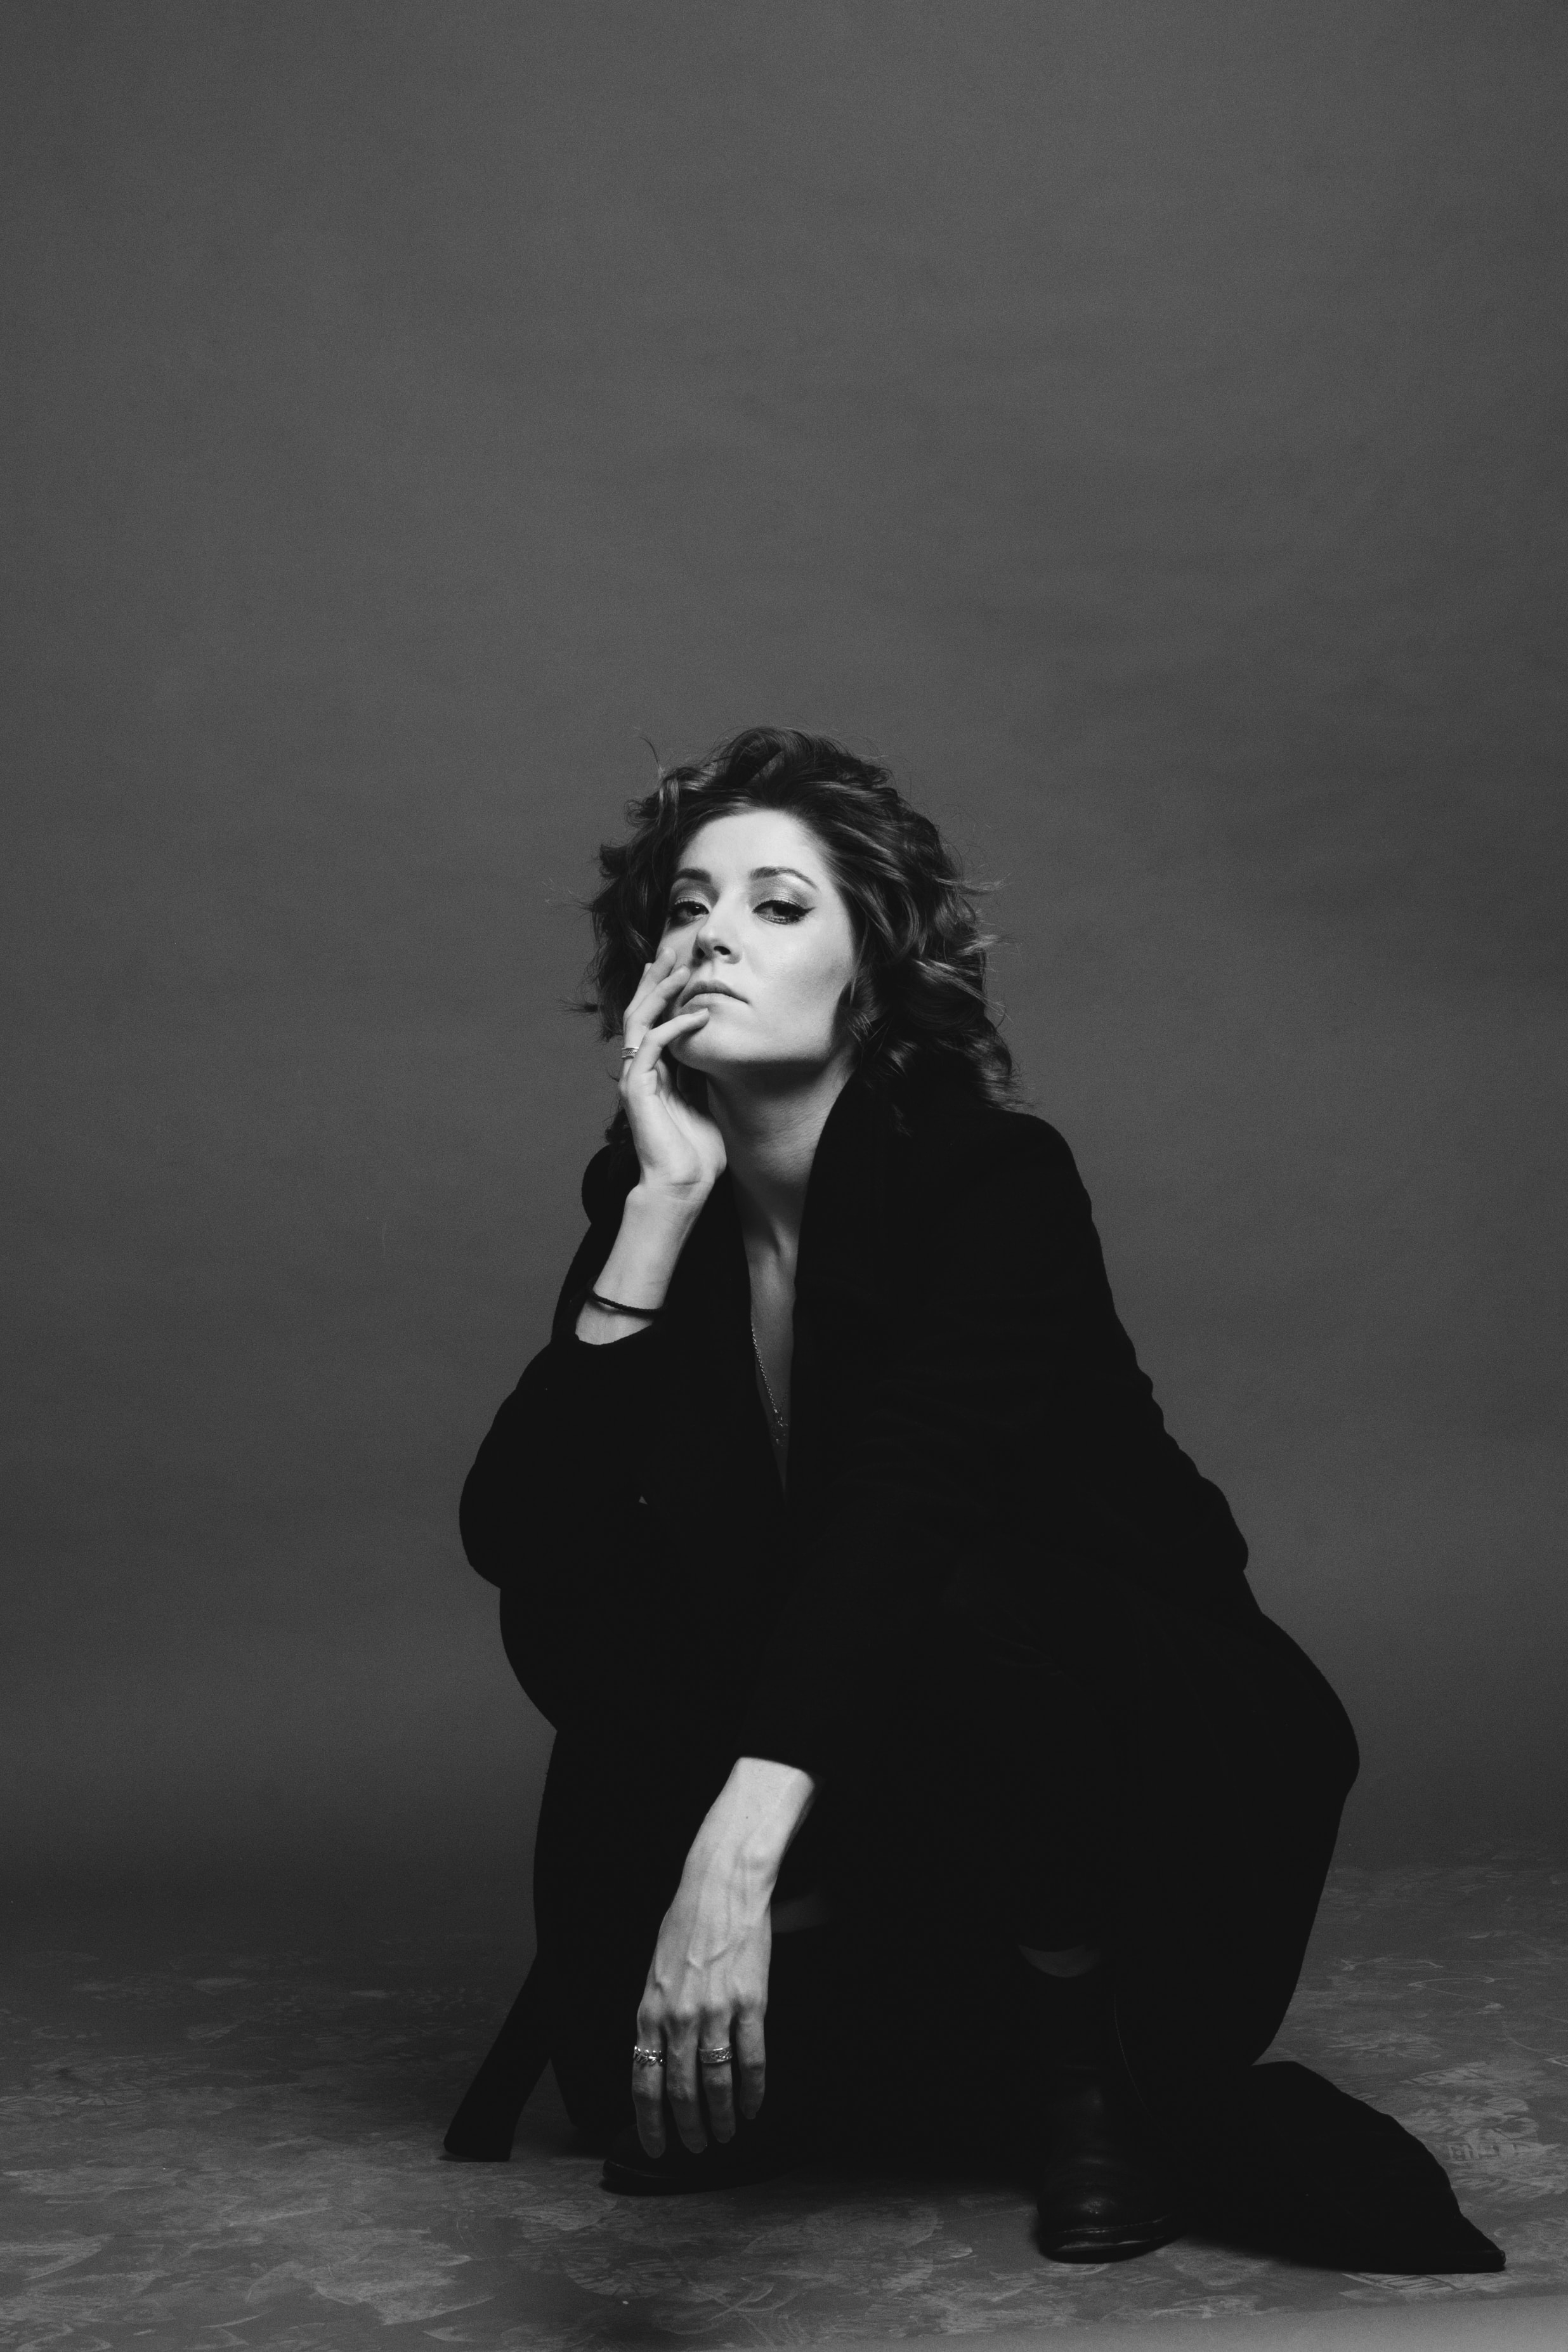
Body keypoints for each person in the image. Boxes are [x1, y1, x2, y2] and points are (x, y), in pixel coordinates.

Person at [448, 728, 1500, 2273]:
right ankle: (854, 1974)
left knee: (959, 1584)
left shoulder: (992, 1182)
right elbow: (521, 1541)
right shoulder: (651, 1197)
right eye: (686, 906)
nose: (717, 934)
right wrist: (655, 1219)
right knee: (597, 1591)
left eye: (779, 905)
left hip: (1106, 1714)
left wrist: (731, 1861)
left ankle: (1081, 2056)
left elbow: (906, 1514)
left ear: (872, 976)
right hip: (860, 1722)